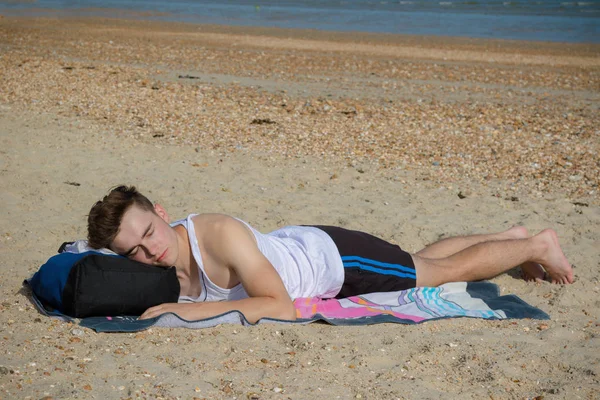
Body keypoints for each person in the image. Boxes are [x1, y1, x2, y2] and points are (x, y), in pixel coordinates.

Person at [87, 185, 574, 323]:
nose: (151, 251)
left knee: (437, 273)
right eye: (135, 252)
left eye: (150, 231)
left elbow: (277, 305)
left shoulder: (217, 234)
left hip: (338, 261)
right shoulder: (149, 258)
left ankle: (535, 245)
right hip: (305, 246)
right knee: (415, 258)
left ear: (161, 211)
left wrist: (183, 310)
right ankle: (508, 235)